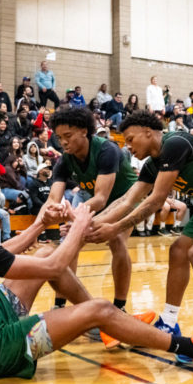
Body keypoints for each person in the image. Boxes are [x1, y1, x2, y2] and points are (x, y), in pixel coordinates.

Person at [0, 171, 193, 381]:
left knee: (42, 253)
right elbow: (55, 267)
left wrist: (41, 223)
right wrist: (80, 226)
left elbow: (2, 250)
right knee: (100, 309)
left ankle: (107, 329)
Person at [87, 111, 193, 362]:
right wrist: (90, 224)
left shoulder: (175, 143)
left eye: (131, 139)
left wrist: (115, 228)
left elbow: (156, 200)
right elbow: (126, 200)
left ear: (148, 131)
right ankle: (168, 323)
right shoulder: (152, 164)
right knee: (178, 251)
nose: (128, 146)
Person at [43, 108, 138, 341]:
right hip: (96, 202)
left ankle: (119, 306)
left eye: (68, 136)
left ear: (84, 131)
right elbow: (52, 198)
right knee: (70, 244)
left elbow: (101, 199)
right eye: (59, 137)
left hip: (126, 200)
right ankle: (60, 306)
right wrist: (48, 216)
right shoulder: (65, 160)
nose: (63, 142)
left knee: (116, 240)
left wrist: (74, 217)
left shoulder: (107, 150)